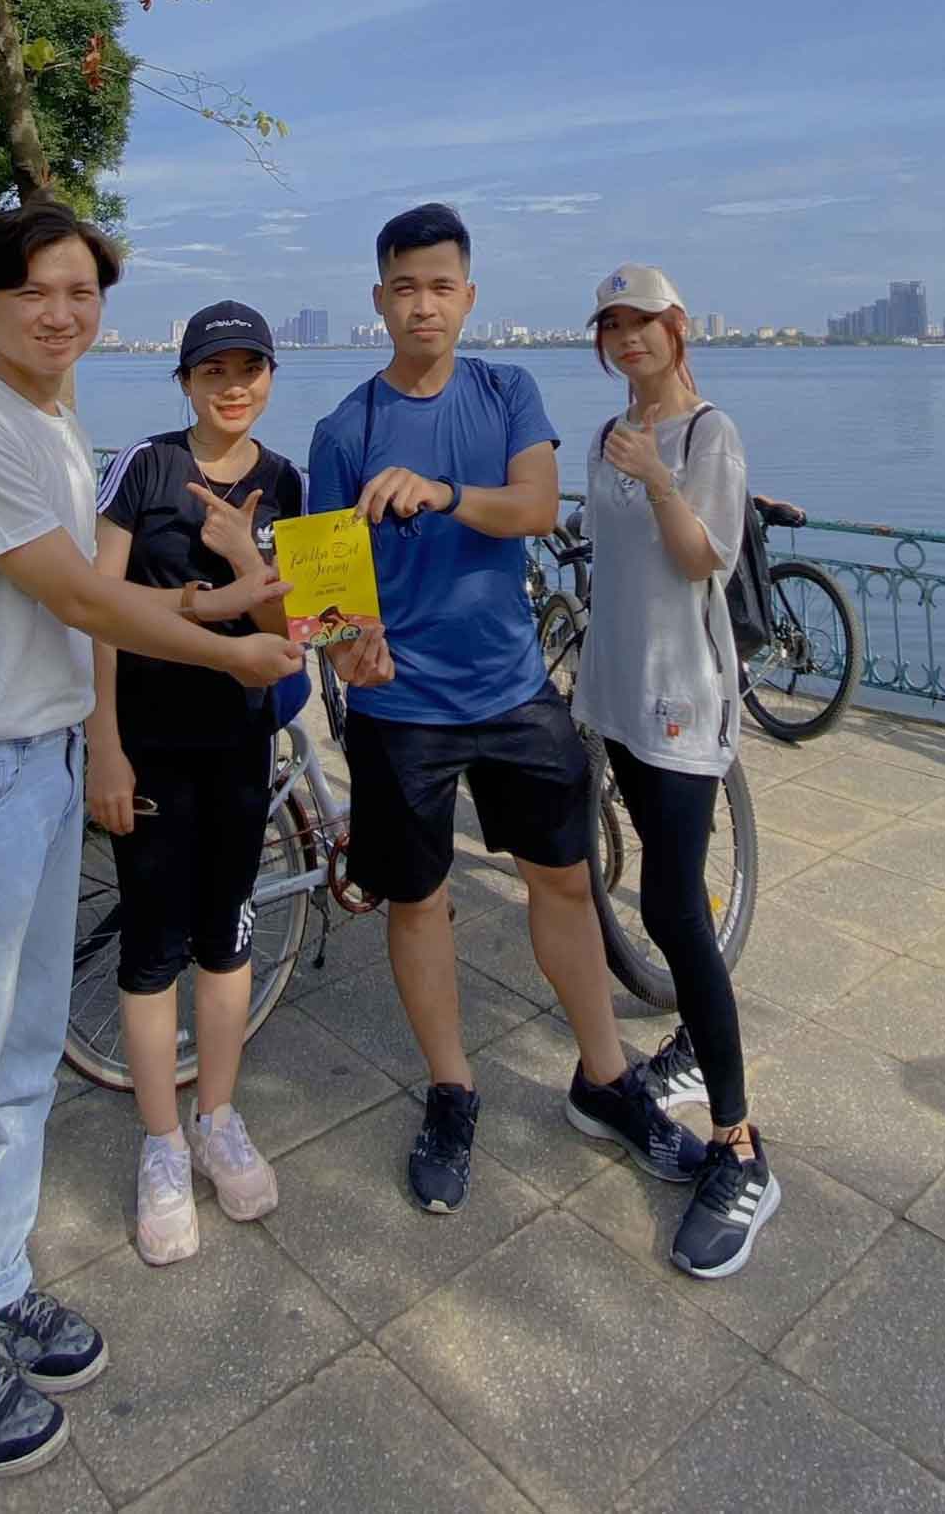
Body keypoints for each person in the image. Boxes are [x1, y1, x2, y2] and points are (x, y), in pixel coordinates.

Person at [0, 198, 301, 1480]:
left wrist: (228, 605)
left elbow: (96, 601)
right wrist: (229, 653)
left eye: (81, 293)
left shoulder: (51, 421)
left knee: (10, 1063)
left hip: (36, 768)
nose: (61, 313)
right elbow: (79, 595)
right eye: (34, 291)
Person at [307, 203, 707, 1213]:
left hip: (514, 689)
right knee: (417, 899)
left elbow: (533, 506)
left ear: (469, 296)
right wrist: (349, 641)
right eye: (405, 287)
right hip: (403, 708)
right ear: (379, 300)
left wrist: (441, 492)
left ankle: (605, 1076)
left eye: (441, 286)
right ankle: (452, 1089)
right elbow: (324, 585)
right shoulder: (343, 428)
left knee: (564, 882)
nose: (424, 305)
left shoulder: (506, 392)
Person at [88, 301, 391, 1265]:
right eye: (212, 369)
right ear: (184, 381)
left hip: (238, 745)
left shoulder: (287, 481)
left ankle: (216, 1117)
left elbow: (306, 625)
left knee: (227, 937)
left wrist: (246, 556)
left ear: (268, 377)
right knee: (150, 947)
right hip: (148, 743)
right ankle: (162, 1143)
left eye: (248, 368)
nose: (232, 386)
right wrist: (104, 741)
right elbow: (96, 608)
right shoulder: (143, 467)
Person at [575, 263, 779, 1279]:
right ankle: (693, 1050)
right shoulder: (605, 435)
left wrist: (658, 478)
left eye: (642, 322)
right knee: (667, 885)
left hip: (683, 702)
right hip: (615, 694)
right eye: (612, 325)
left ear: (677, 327)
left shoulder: (709, 436)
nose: (628, 338)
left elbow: (703, 558)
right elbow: (602, 553)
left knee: (670, 908)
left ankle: (739, 1143)